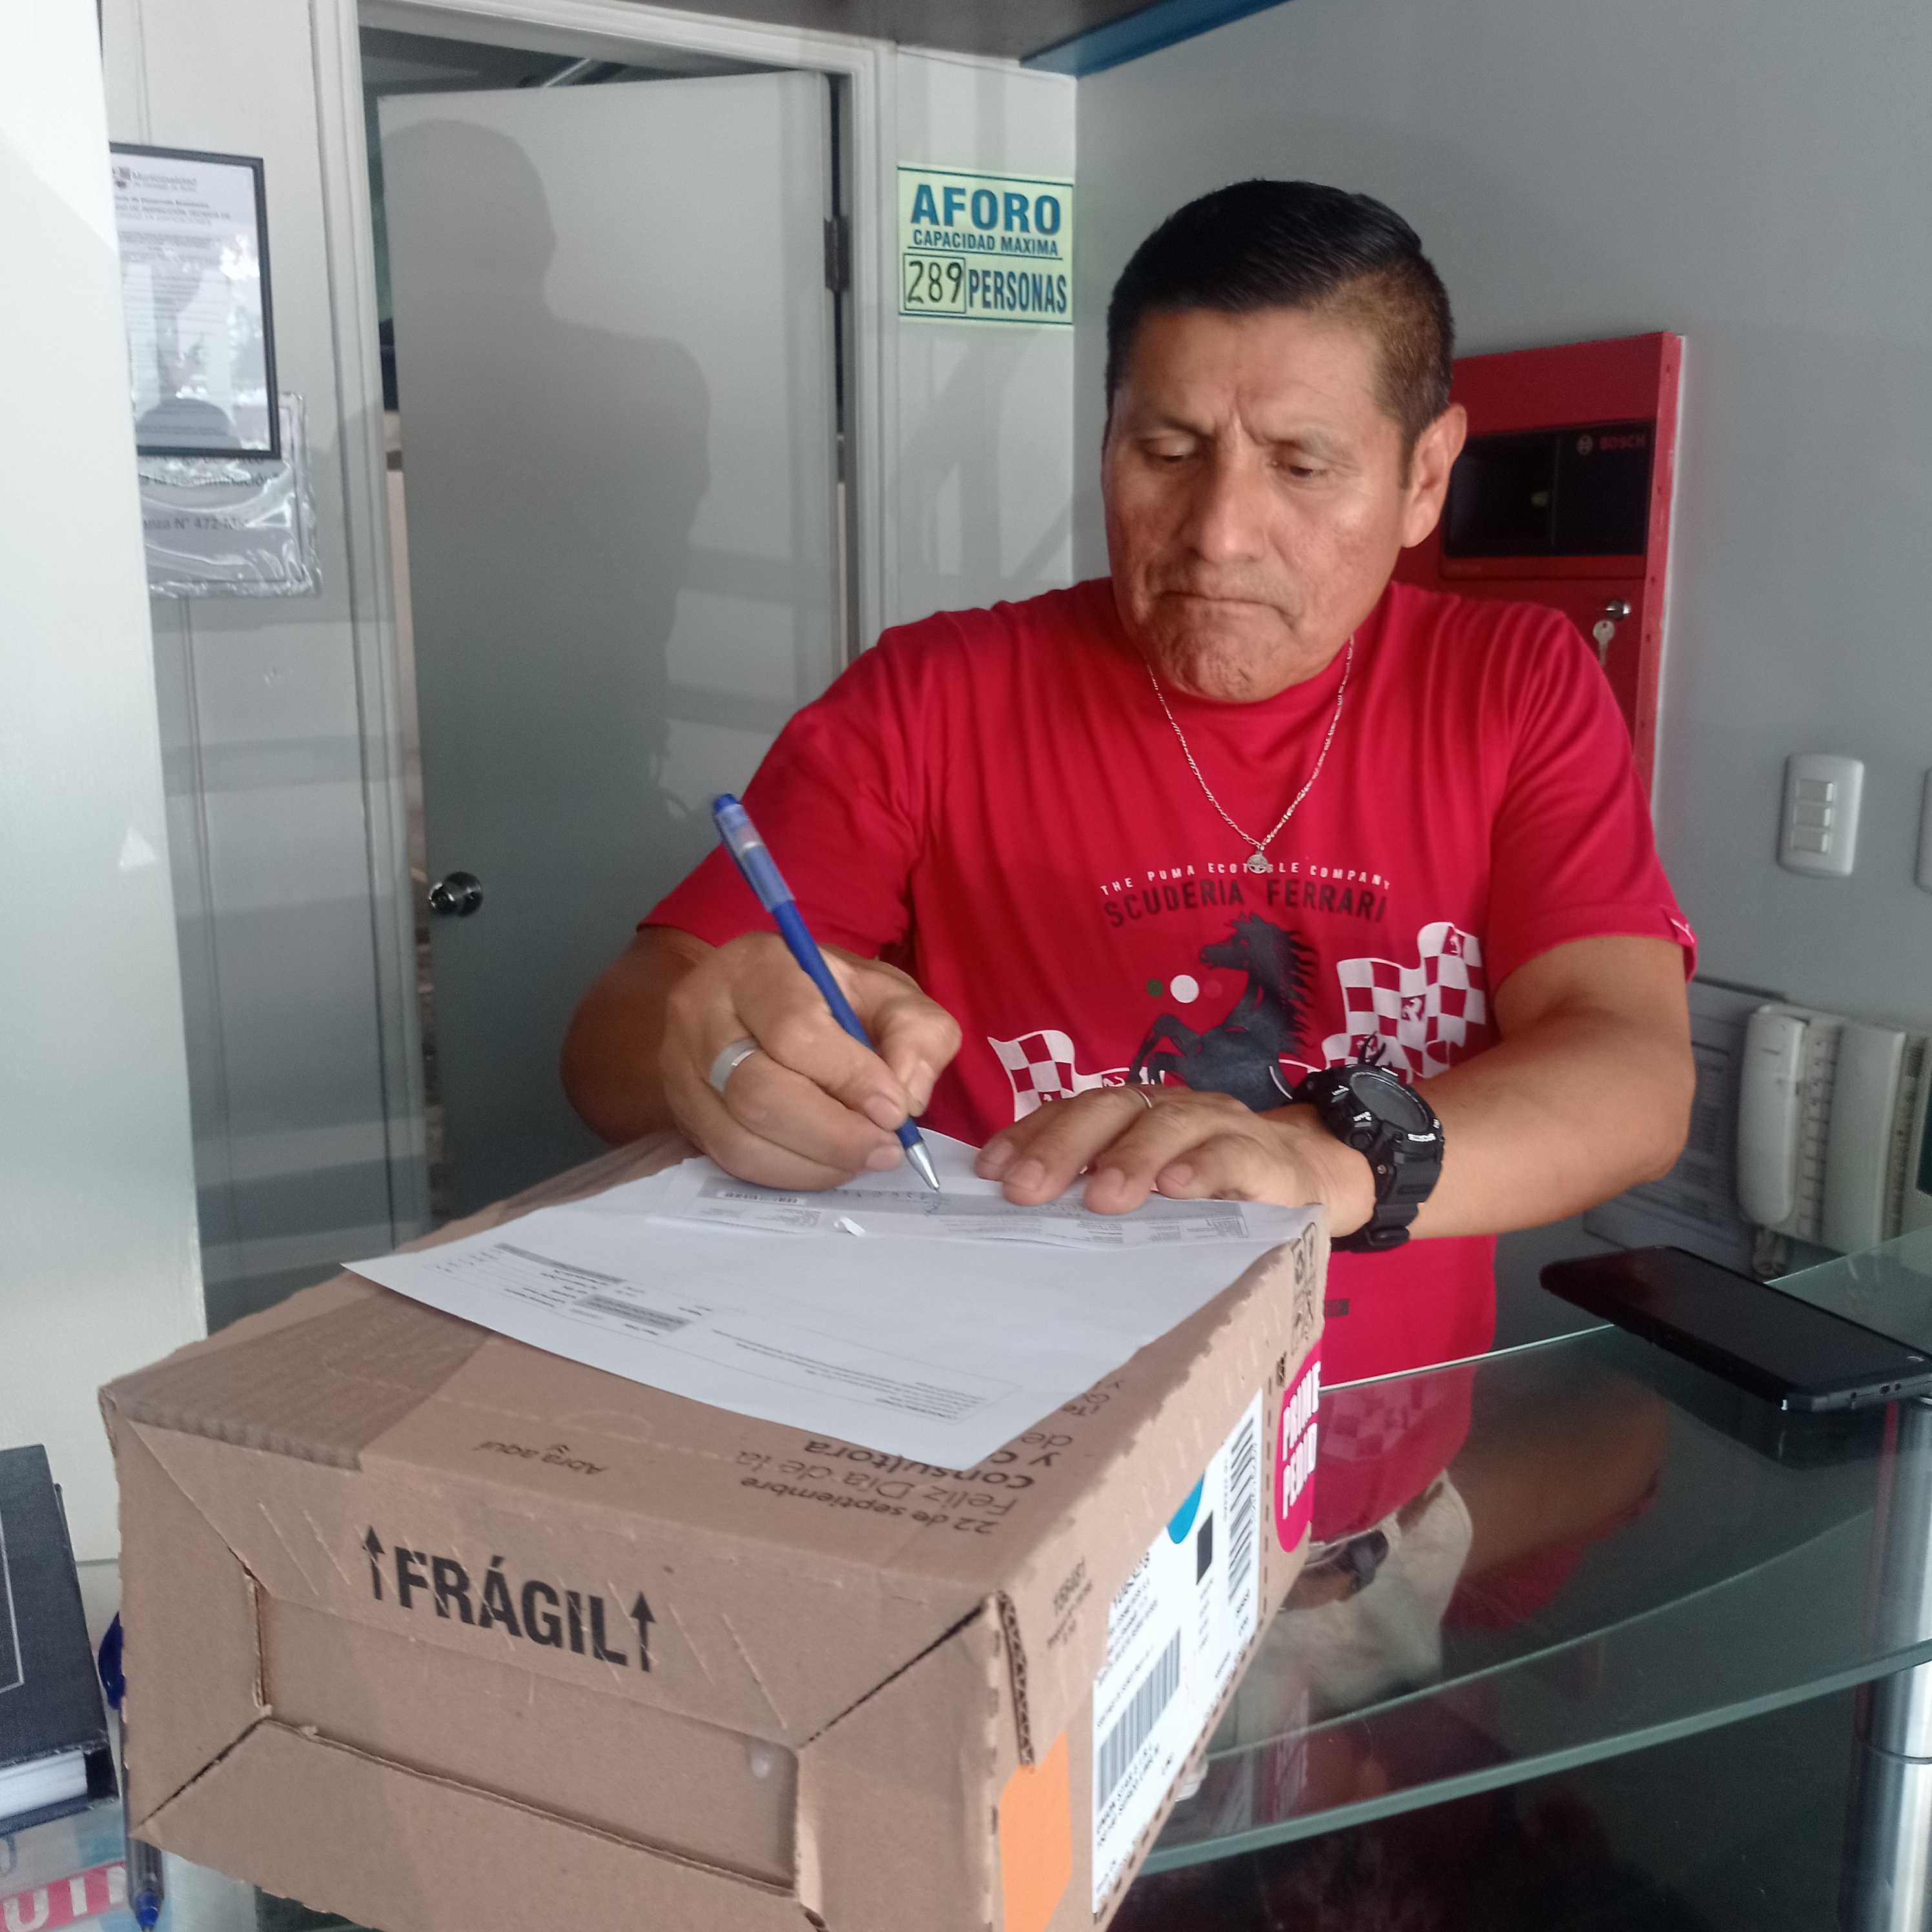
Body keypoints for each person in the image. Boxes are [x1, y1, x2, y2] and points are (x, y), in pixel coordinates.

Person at [560, 179, 1696, 1384]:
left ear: (1425, 477)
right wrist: (712, 1045)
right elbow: (610, 1046)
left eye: (1301, 465)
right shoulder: (934, 695)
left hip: (1384, 1426)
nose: (1218, 531)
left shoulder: (1515, 683)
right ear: (1107, 442)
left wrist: (1321, 1163)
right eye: (1168, 452)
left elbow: (1630, 1069)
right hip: (1006, 1404)